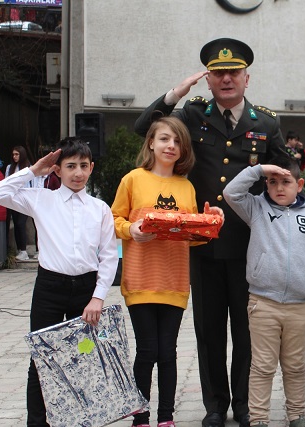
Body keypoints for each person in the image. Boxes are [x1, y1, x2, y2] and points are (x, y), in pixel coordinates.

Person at [134, 37, 287, 427]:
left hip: (251, 246)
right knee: (209, 331)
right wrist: (175, 94)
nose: (227, 79)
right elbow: (144, 128)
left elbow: (287, 173)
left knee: (247, 332)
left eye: (234, 72)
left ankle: (246, 404)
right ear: (209, 80)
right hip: (202, 244)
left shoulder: (266, 123)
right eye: (218, 73)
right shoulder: (191, 114)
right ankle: (215, 405)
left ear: (247, 78)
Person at [0, 137, 118, 426]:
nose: (77, 173)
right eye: (70, 166)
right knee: (41, 358)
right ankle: (37, 422)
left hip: (86, 292)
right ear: (57, 170)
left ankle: (78, 420)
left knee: (83, 358)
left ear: (91, 168)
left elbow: (109, 256)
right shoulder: (41, 199)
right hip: (49, 289)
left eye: (83, 166)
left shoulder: (100, 208)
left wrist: (98, 297)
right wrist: (33, 170)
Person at [112, 116, 224, 427]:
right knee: (147, 350)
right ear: (150, 143)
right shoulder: (133, 180)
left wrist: (210, 223)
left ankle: (166, 417)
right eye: (164, 139)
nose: (170, 145)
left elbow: (190, 237)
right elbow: (113, 220)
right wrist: (130, 229)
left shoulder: (186, 186)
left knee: (168, 353)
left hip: (175, 282)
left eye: (177, 141)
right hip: (140, 279)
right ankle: (140, 417)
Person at [223, 155, 305, 427]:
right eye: (272, 182)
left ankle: (297, 415)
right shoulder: (256, 208)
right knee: (262, 366)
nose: (279, 188)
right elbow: (231, 192)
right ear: (266, 184)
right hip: (264, 303)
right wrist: (259, 170)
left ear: (300, 185)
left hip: (300, 306)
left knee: (295, 365)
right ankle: (259, 419)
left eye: (286, 182)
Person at [5, 146, 33, 261]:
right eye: (13, 154)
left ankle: (24, 250)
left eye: (17, 154)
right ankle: (20, 249)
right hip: (13, 199)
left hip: (25, 199)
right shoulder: (9, 168)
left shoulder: (28, 167)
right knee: (16, 224)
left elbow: (33, 184)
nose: (14, 157)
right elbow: (6, 182)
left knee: (21, 223)